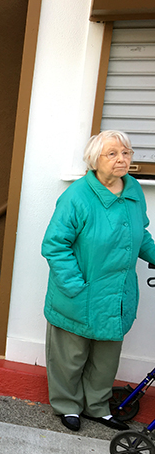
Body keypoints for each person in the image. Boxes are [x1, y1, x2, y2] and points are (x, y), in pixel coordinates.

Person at [42, 130, 155, 432]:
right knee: (71, 354)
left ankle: (97, 407)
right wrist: (74, 285)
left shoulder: (133, 193)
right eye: (113, 154)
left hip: (116, 294)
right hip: (79, 291)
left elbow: (139, 234)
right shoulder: (77, 196)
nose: (122, 159)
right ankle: (67, 405)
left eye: (126, 153)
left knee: (105, 359)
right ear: (94, 160)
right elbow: (55, 245)